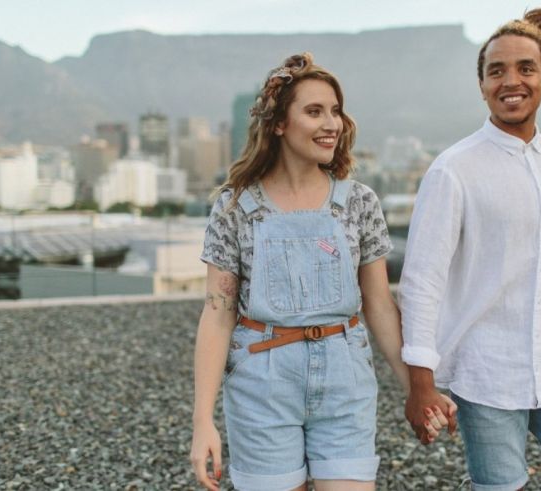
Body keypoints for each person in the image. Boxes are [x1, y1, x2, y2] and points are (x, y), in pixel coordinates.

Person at [190, 52, 455, 491]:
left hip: (345, 377)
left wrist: (418, 389)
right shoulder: (235, 207)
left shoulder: (359, 202)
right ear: (278, 123)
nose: (332, 123)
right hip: (262, 383)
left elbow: (380, 306)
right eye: (314, 111)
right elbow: (218, 314)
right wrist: (203, 422)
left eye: (335, 111)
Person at [400, 9, 541, 491]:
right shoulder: (452, 169)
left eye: (525, 68)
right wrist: (421, 384)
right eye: (495, 70)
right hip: (487, 376)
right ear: (481, 85)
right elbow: (422, 280)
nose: (510, 81)